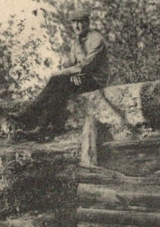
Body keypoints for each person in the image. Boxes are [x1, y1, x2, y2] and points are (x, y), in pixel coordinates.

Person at [12, 9, 108, 137]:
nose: (77, 26)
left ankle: (29, 115)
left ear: (87, 23)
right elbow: (72, 64)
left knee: (59, 80)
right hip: (80, 78)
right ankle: (40, 127)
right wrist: (69, 72)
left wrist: (65, 73)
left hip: (95, 81)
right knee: (60, 86)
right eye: (74, 22)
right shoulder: (77, 42)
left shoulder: (96, 39)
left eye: (80, 22)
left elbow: (87, 65)